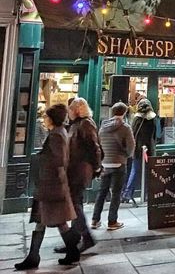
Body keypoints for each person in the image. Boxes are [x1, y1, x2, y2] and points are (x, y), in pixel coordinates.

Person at [15, 104, 80, 271]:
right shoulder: (58, 133)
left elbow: (59, 162)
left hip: (51, 186)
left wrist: (59, 185)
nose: (44, 119)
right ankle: (36, 256)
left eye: (46, 116)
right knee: (49, 221)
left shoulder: (57, 135)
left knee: (52, 221)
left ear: (52, 118)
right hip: (51, 185)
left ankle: (37, 256)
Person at [54, 97, 102, 255]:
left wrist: (96, 167)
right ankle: (74, 240)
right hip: (74, 169)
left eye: (70, 109)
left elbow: (94, 147)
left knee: (75, 204)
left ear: (76, 110)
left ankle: (85, 237)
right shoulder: (75, 125)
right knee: (75, 203)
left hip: (81, 170)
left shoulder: (86, 124)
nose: (68, 112)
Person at [91, 102, 135, 231]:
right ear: (124, 113)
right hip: (118, 163)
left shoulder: (103, 127)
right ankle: (112, 221)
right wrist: (126, 155)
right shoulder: (125, 127)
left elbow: (98, 144)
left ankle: (95, 220)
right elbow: (131, 146)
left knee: (102, 192)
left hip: (105, 163)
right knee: (116, 193)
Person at [122, 98, 158, 203]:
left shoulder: (136, 119)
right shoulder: (153, 119)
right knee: (149, 172)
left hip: (138, 148)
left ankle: (127, 194)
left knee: (135, 170)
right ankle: (148, 194)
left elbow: (132, 133)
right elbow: (155, 134)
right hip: (149, 148)